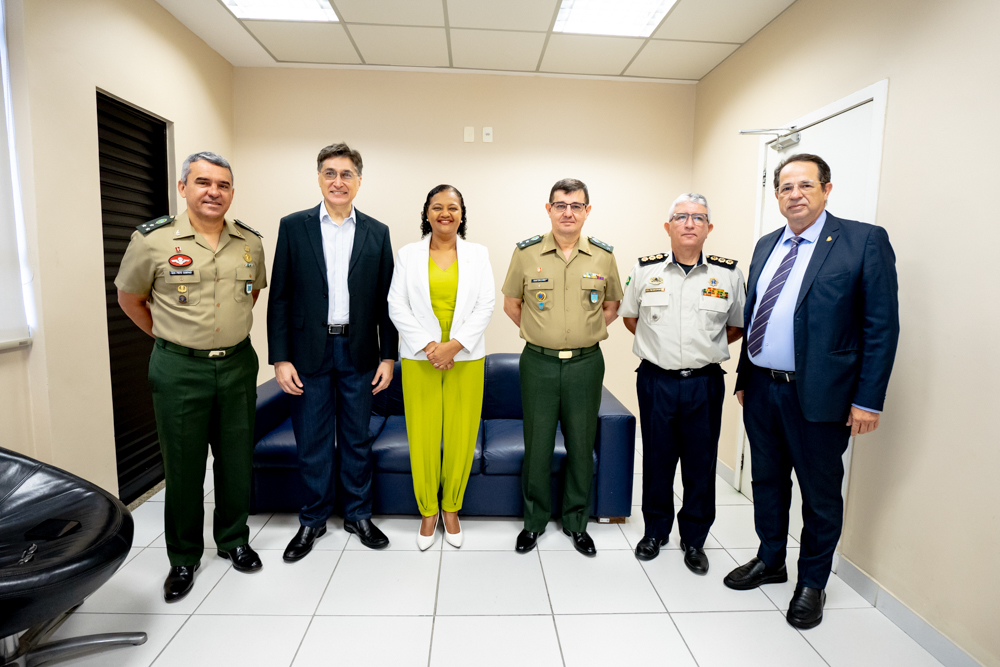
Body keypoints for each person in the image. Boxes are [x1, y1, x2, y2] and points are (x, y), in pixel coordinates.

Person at [725, 153, 899, 629]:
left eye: (805, 185)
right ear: (776, 194)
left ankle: (812, 582)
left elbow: (881, 328)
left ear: (826, 189)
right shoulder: (766, 245)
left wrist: (867, 399)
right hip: (761, 390)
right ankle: (771, 558)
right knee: (767, 481)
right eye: (785, 187)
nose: (794, 194)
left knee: (820, 495)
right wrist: (745, 377)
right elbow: (761, 311)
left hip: (823, 395)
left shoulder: (862, 241)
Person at [116, 152, 266, 602]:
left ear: (232, 193)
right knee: (182, 466)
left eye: (222, 185)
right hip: (179, 366)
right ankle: (183, 558)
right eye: (203, 182)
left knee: (237, 458)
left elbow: (252, 294)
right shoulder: (153, 241)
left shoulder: (249, 243)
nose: (213, 192)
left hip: (238, 363)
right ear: (183, 188)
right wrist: (173, 339)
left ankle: (234, 541)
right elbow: (130, 299)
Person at [267, 143, 398, 559]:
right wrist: (281, 357)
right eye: (329, 173)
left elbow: (386, 301)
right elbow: (281, 298)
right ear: (319, 178)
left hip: (360, 351)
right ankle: (313, 520)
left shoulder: (378, 232)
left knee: (358, 438)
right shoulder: (293, 226)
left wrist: (388, 356)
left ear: (359, 181)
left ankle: (359, 514)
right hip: (308, 353)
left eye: (346, 174)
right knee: (313, 440)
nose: (337, 181)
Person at [619, 193, 745, 574]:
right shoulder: (645, 270)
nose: (690, 223)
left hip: (704, 384)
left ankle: (694, 539)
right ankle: (655, 531)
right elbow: (631, 319)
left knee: (700, 464)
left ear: (709, 228)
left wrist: (700, 349)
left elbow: (736, 325)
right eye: (681, 217)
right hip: (656, 380)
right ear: (668, 226)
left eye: (698, 217)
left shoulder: (728, 274)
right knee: (657, 458)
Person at [501, 178, 623, 556]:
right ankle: (534, 523)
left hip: (586, 366)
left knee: (581, 445)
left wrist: (579, 335)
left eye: (575, 205)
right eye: (560, 205)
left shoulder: (603, 256)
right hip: (537, 363)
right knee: (537, 445)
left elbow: (611, 307)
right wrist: (544, 334)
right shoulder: (526, 253)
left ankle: (576, 522)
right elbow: (512, 305)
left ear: (587, 211)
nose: (567, 212)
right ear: (548, 209)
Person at [387, 185, 495, 550]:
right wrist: (431, 347)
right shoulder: (407, 254)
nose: (444, 213)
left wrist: (454, 346)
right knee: (423, 436)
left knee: (463, 435)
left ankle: (451, 507)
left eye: (452, 207)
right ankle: (428, 510)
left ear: (462, 214)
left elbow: (486, 304)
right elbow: (396, 304)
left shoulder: (478, 254)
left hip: (466, 356)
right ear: (427, 213)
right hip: (421, 358)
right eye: (437, 207)